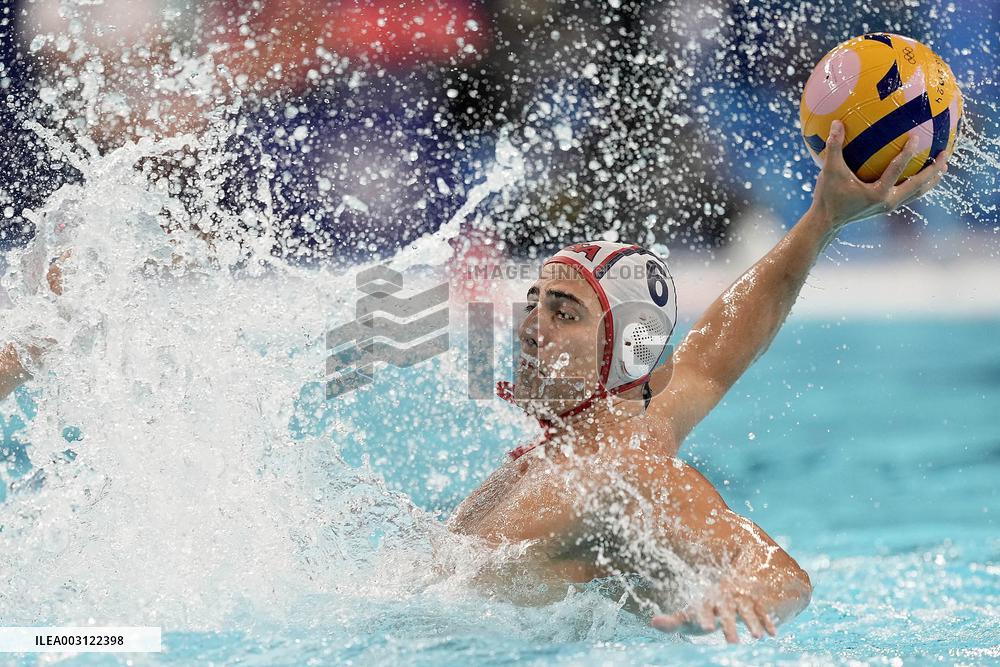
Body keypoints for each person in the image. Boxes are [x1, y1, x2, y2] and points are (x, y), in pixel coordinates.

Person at [447, 121, 948, 642]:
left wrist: (745, 589)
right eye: (533, 305)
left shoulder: (621, 475)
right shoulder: (606, 436)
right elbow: (714, 354)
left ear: (624, 356)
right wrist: (822, 219)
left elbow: (779, 572)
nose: (529, 329)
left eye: (564, 314)